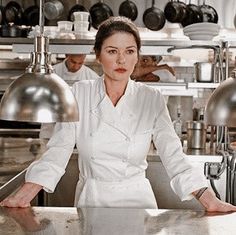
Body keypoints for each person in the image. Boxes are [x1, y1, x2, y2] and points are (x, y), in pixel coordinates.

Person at [1, 16, 236, 212]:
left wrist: (208, 199)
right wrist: (25, 193)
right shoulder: (80, 93)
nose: (121, 60)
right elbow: (58, 150)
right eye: (112, 51)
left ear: (137, 55)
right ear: (98, 54)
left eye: (129, 51)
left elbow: (173, 154)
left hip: (137, 202)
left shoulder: (150, 98)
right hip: (91, 200)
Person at [40, 53, 100, 139]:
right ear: (67, 56)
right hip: (51, 129)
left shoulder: (91, 76)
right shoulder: (52, 72)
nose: (76, 66)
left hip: (79, 131)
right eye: (73, 62)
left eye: (80, 63)